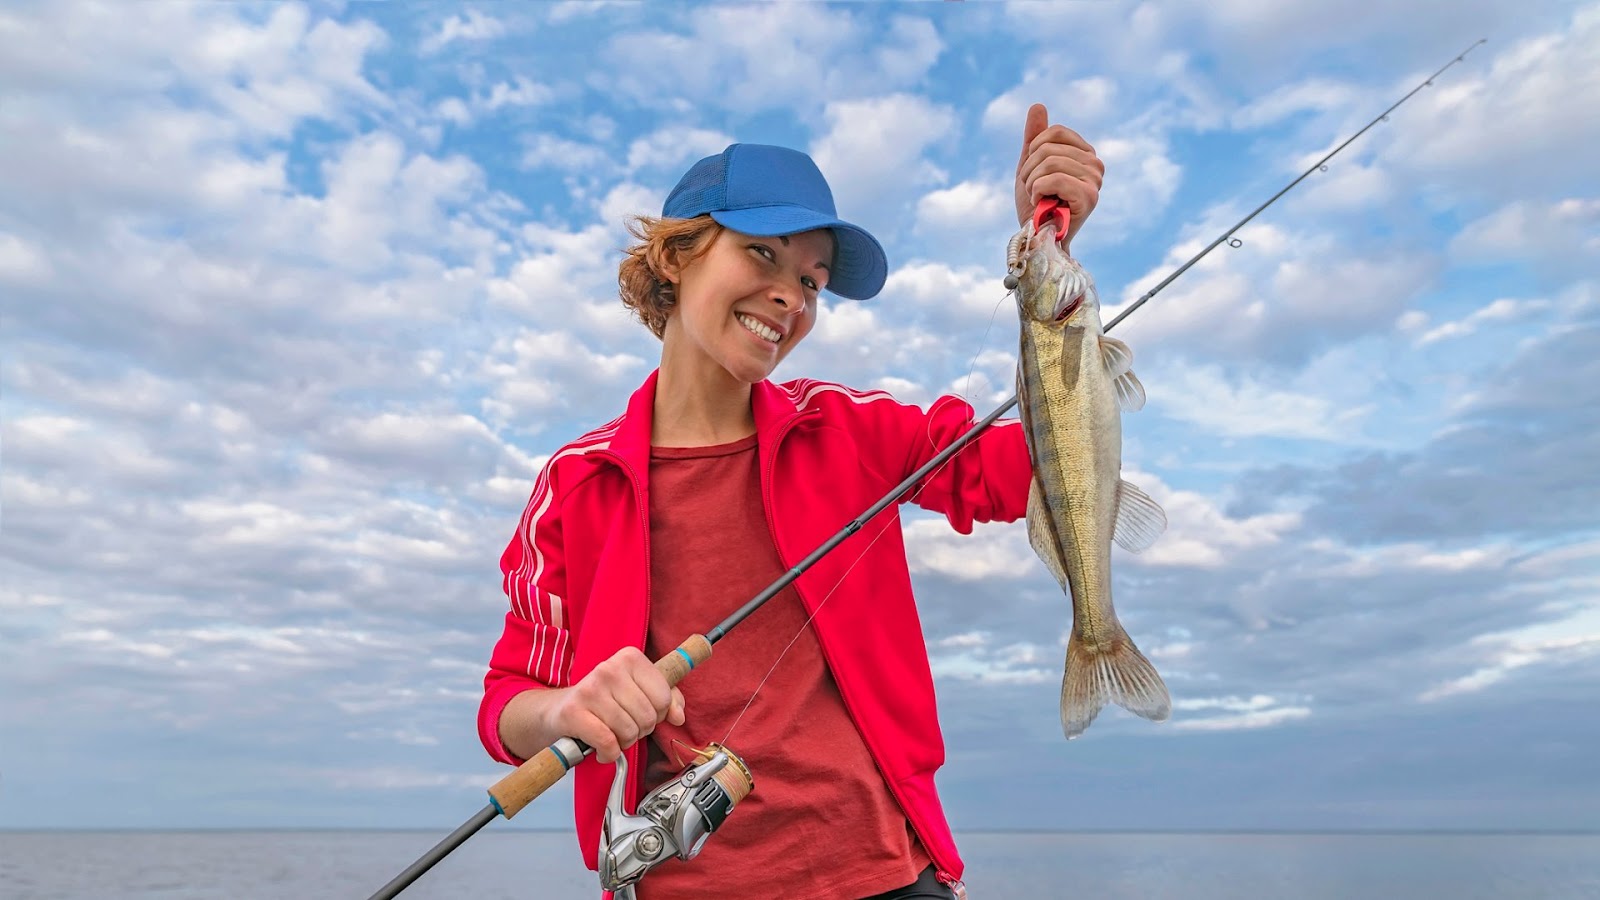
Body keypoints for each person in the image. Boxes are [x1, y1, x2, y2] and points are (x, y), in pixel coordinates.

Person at [478, 104, 1105, 899]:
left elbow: (1033, 473)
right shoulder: (574, 483)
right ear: (676, 256)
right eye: (761, 255)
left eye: (809, 281)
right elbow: (506, 705)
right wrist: (569, 707)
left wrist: (1050, 258)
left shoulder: (850, 428)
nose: (790, 297)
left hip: (891, 877)